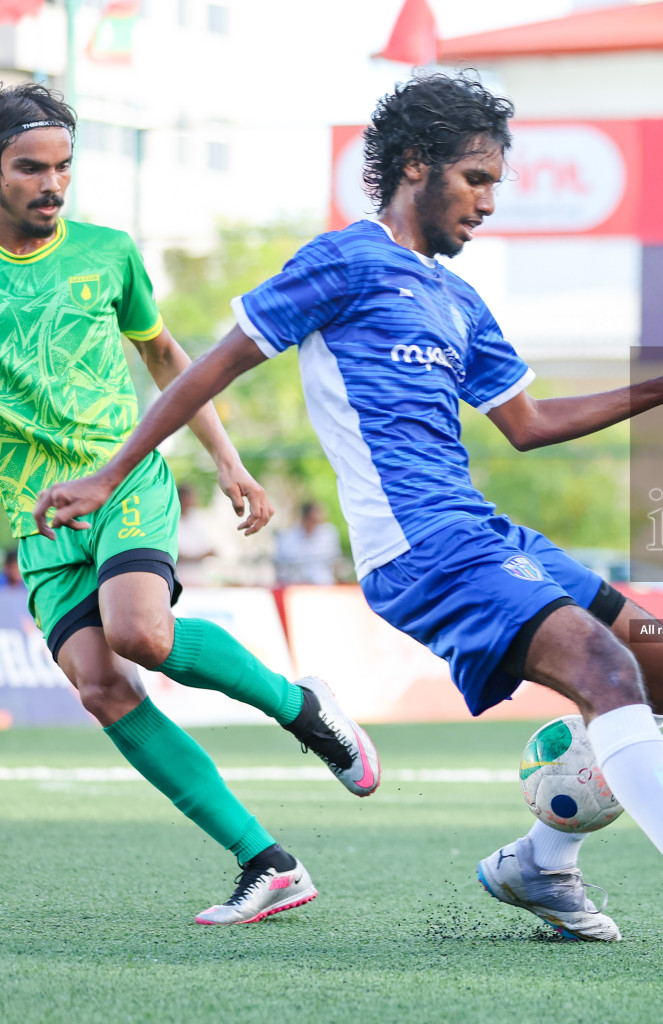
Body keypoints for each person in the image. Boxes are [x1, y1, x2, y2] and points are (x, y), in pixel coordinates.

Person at [34, 71, 663, 977]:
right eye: (477, 179)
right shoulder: (341, 263)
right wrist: (112, 471)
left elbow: (527, 426)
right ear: (416, 166)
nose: (490, 203)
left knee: (661, 663)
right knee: (603, 668)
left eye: (496, 183)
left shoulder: (457, 299)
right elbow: (208, 369)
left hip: (483, 530)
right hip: (416, 549)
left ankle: (541, 863)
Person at [0, 84, 382, 924]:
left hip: (125, 479)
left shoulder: (107, 253)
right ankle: (268, 863)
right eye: (31, 167)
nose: (52, 184)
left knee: (142, 633)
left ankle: (301, 708)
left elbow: (171, 355)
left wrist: (229, 460)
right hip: (39, 518)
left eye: (63, 166)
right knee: (102, 686)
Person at [274, 501, 344, 584]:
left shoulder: (328, 533)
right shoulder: (288, 536)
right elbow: (282, 562)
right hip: (295, 584)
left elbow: (335, 561)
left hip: (324, 585)